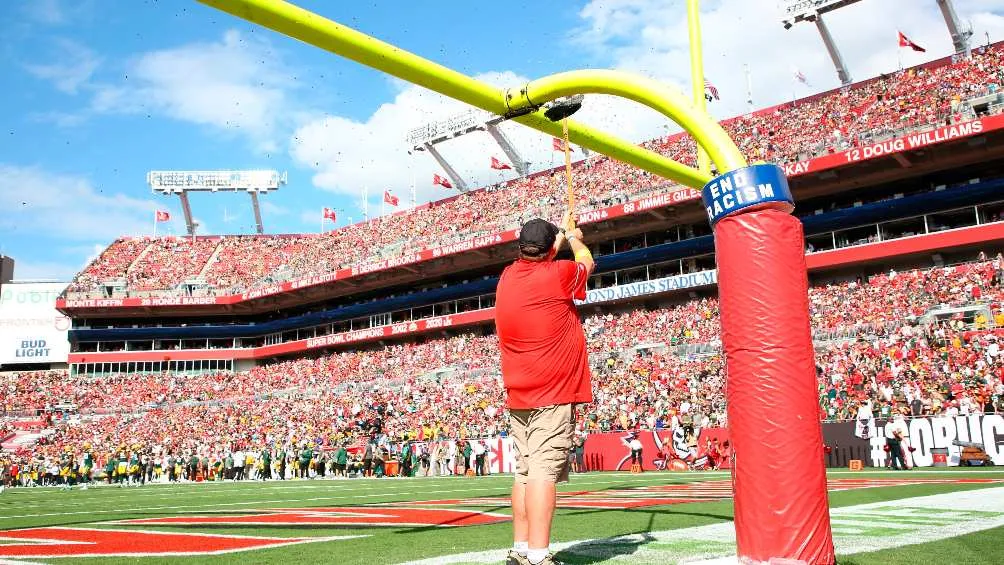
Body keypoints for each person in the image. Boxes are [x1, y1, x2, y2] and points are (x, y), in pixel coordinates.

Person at [495, 213, 595, 565]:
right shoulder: (558, 274)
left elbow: (544, 255)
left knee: (524, 473)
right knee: (542, 474)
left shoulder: (508, 275)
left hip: (520, 393)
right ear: (550, 248)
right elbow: (587, 262)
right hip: (551, 393)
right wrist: (576, 238)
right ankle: (539, 556)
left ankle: (521, 549)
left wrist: (560, 235)